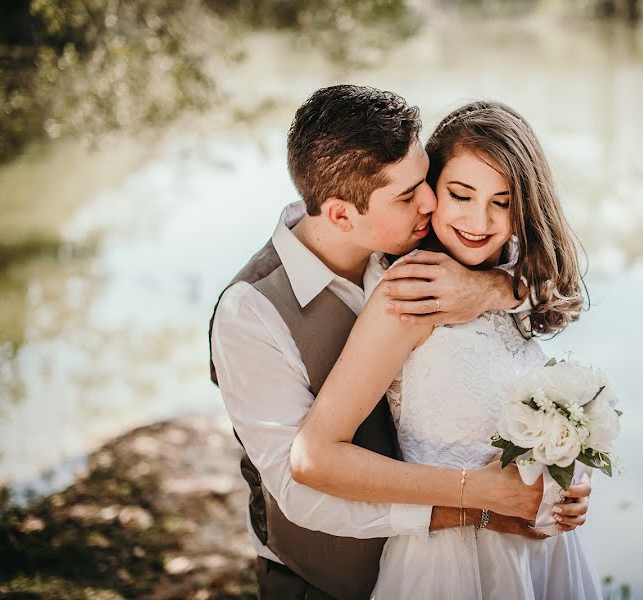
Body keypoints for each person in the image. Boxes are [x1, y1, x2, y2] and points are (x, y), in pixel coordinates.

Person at [209, 86, 593, 600]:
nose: (431, 201)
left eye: (426, 181)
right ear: (343, 216)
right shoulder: (251, 314)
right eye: (411, 194)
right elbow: (303, 487)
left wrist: (492, 289)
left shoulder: (416, 242)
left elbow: (550, 278)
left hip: (507, 552)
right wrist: (477, 504)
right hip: (327, 578)